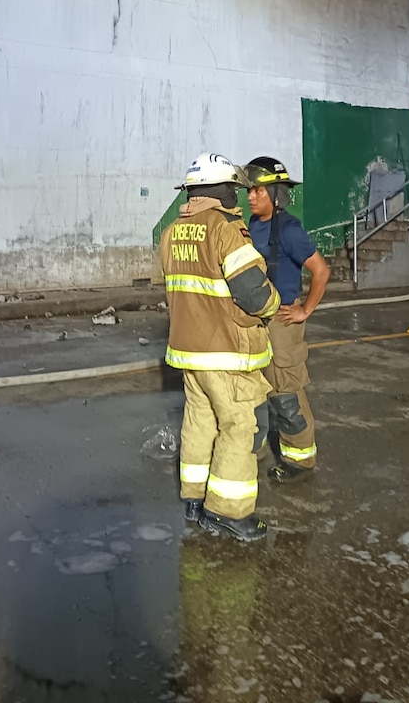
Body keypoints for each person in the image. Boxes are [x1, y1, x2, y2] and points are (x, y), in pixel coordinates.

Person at [160, 152, 280, 542]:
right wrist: (273, 305)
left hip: (189, 352)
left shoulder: (172, 232)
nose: (239, 198)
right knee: (239, 426)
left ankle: (194, 500)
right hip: (227, 352)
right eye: (235, 189)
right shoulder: (225, 228)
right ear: (222, 189)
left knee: (199, 421)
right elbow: (251, 291)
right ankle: (227, 512)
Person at [244, 157, 331, 483]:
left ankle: (300, 460)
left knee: (285, 393)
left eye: (258, 191)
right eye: (249, 191)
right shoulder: (252, 225)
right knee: (257, 389)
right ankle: (258, 448)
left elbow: (321, 272)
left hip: (282, 325)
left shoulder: (290, 230)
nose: (251, 197)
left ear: (276, 194)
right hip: (256, 322)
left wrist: (304, 310)